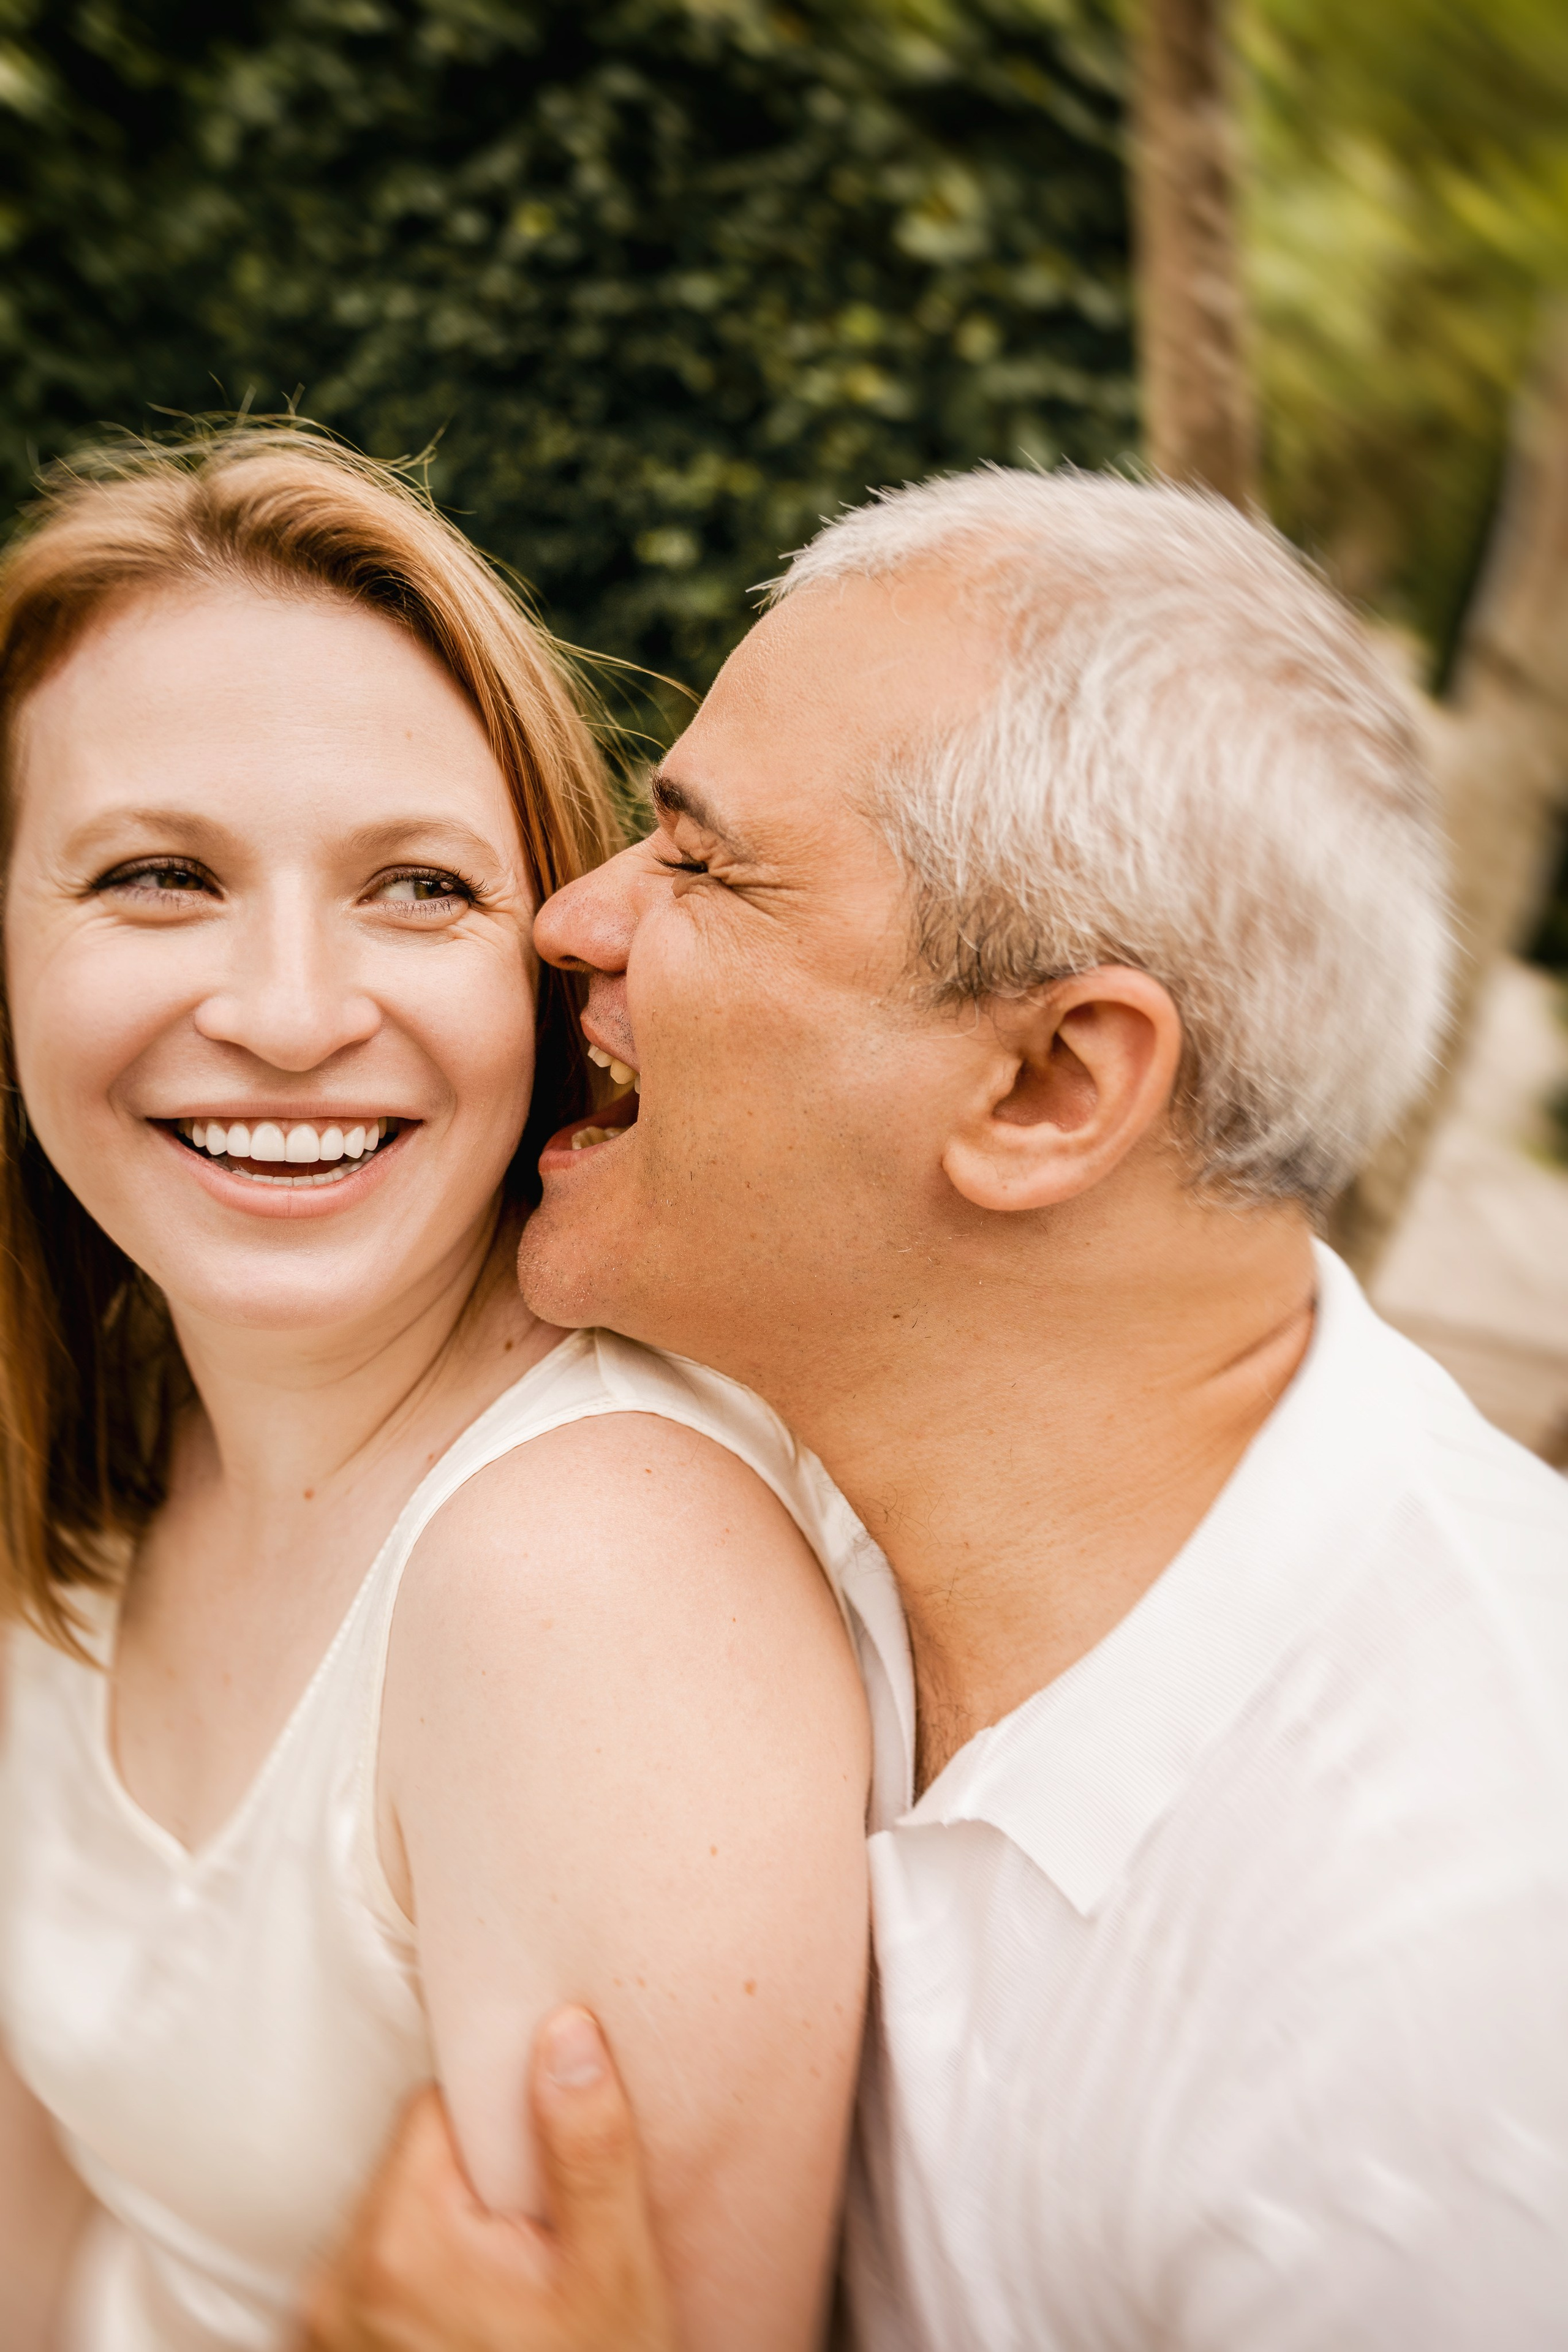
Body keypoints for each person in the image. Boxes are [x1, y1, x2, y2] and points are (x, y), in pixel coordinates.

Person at [304, 467, 1568, 2351]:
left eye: (704, 861)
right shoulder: (750, 1458)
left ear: (1051, 1087)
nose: (569, 918)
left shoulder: (1451, 1985)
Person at [0, 431, 902, 2352]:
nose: (294, 1013)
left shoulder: (585, 1586)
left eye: (417, 887)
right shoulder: (85, 1421)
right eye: (159, 876)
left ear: (550, 967)